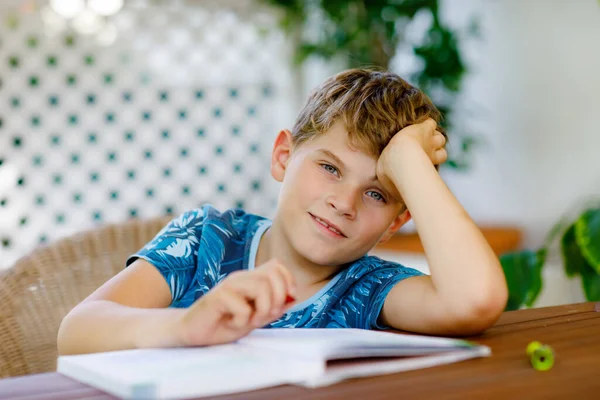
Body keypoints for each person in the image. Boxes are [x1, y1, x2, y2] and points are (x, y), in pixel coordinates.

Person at [57, 68, 508, 355]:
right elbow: (77, 332)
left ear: (396, 222)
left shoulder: (368, 288)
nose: (343, 202)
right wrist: (184, 326)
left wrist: (411, 165)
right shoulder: (208, 239)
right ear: (283, 157)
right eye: (330, 168)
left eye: (376, 194)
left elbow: (475, 300)